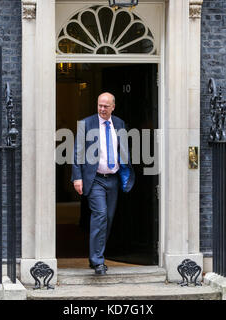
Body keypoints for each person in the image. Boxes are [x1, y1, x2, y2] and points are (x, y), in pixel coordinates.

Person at [71, 92, 135, 275]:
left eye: (106, 106)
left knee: (107, 218)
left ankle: (96, 256)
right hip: (95, 178)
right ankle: (98, 261)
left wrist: (126, 173)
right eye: (100, 105)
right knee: (100, 215)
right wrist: (77, 177)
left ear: (113, 106)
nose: (102, 109)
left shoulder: (120, 124)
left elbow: (123, 150)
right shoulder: (86, 124)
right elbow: (77, 152)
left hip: (113, 179)